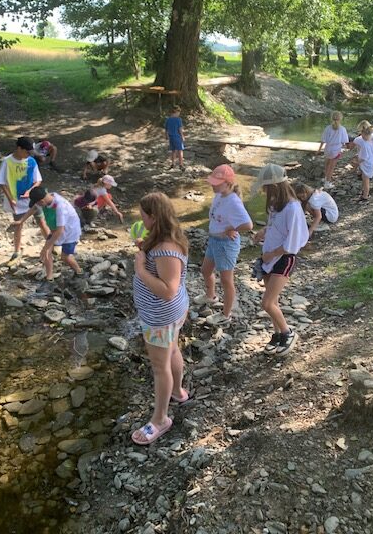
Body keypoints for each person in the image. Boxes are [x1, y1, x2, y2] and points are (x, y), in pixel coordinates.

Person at [132, 192, 189, 445]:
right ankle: (177, 392)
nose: (141, 219)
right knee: (172, 349)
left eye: (143, 215)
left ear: (153, 216)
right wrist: (144, 251)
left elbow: (168, 291)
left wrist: (140, 270)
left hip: (160, 317)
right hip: (169, 315)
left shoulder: (166, 248)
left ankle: (160, 420)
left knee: (159, 367)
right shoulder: (162, 240)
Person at [253, 164, 309, 356]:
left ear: (275, 186)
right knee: (273, 301)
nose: (264, 191)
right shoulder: (276, 205)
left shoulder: (293, 208)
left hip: (283, 259)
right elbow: (276, 227)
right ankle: (277, 334)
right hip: (269, 258)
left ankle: (287, 333)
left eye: (266, 188)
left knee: (267, 303)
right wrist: (264, 232)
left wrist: (271, 254)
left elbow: (292, 243)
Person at [194, 164, 253, 323]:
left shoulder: (233, 201)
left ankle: (226, 315)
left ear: (227, 183)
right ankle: (210, 296)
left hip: (226, 244)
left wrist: (231, 228)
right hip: (214, 240)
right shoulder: (220, 195)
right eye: (212, 182)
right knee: (206, 270)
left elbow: (248, 225)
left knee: (226, 280)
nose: (212, 185)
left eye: (216, 183)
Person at [16, 186, 83, 291]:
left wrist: (46, 247)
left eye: (38, 203)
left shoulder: (60, 206)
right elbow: (34, 208)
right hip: (55, 229)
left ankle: (79, 272)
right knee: (47, 253)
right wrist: (21, 221)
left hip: (70, 232)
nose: (37, 205)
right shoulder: (47, 198)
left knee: (65, 257)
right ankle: (49, 279)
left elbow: (60, 230)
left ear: (42, 201)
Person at [0, 136, 47, 261]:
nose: (29, 154)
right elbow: (1, 183)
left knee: (41, 221)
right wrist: (10, 199)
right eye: (27, 152)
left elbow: (38, 180)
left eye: (30, 152)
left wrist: (30, 191)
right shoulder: (7, 162)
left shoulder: (31, 161)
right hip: (16, 201)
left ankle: (52, 244)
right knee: (18, 225)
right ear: (19, 148)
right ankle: (17, 252)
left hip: (34, 199)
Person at [317, 111, 349, 189]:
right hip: (336, 150)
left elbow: (323, 140)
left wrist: (319, 150)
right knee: (331, 167)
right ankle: (327, 183)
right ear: (341, 119)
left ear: (331, 118)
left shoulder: (328, 128)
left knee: (327, 164)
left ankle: (325, 178)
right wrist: (345, 148)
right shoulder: (342, 129)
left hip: (328, 149)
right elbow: (345, 141)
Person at [350, 121, 373, 203]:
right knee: (364, 178)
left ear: (363, 134)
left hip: (367, 164)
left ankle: (365, 196)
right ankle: (364, 192)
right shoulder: (371, 142)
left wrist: (356, 162)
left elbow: (363, 157)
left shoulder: (364, 145)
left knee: (366, 181)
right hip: (372, 162)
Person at [164, 106, 185, 171]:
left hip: (171, 138)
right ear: (176, 112)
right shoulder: (178, 119)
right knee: (180, 151)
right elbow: (180, 129)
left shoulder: (168, 119)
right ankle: (181, 165)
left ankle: (173, 163)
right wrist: (182, 136)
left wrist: (166, 136)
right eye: (179, 112)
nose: (179, 113)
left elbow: (166, 129)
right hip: (177, 137)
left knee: (173, 151)